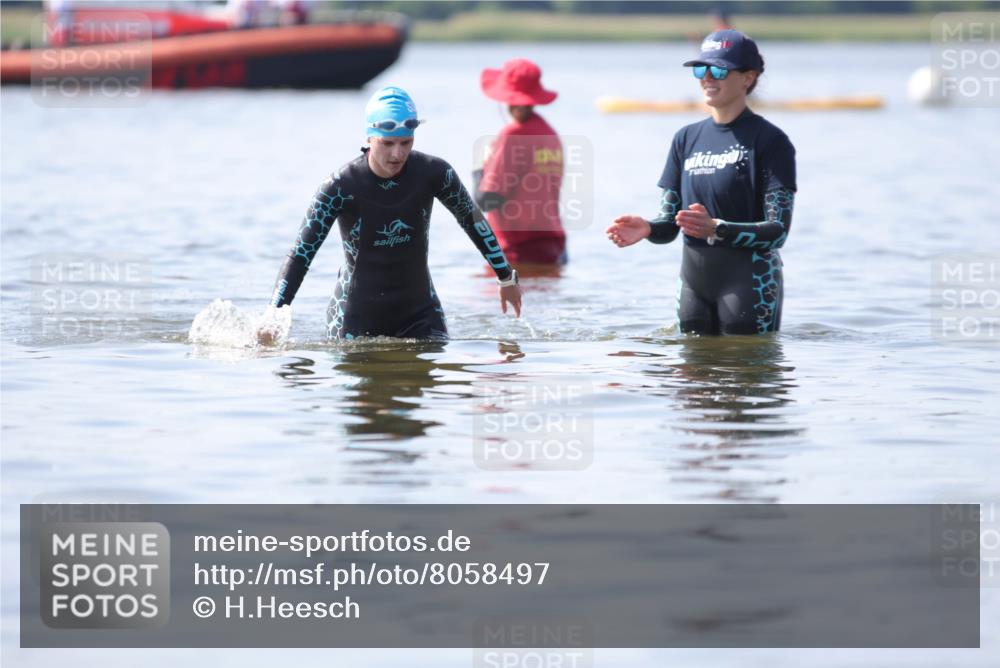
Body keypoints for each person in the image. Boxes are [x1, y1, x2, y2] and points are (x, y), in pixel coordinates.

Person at [265, 86, 522, 342]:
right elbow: (301, 255)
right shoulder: (340, 186)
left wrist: (505, 276)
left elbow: (472, 220)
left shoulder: (434, 173)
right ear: (369, 137)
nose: (397, 154)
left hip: (420, 313)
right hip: (355, 317)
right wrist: (273, 316)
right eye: (387, 143)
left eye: (405, 143)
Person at [606, 30, 796, 335]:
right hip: (694, 285)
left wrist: (718, 228)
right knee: (691, 378)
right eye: (701, 69)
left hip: (750, 283)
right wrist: (649, 228)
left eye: (719, 70)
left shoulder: (771, 141)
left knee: (745, 377)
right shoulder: (685, 139)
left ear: (748, 78)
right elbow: (671, 223)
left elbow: (778, 232)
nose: (708, 78)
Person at [474, 58, 567, 270]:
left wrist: (479, 167)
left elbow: (487, 201)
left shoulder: (512, 135)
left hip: (518, 250)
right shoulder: (549, 133)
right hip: (554, 245)